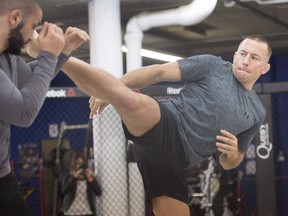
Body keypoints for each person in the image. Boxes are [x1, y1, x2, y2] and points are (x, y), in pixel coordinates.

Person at [61, 35, 272, 216]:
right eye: (243, 53)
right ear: (235, 55)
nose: (246, 60)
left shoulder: (256, 113)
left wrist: (233, 153)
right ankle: (58, 56)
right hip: (166, 121)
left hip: (176, 159)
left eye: (254, 58)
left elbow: (230, 162)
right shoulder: (213, 66)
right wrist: (116, 87)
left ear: (265, 68)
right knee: (130, 99)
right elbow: (158, 72)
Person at [0, 0, 89, 215]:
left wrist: (63, 52)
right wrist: (48, 54)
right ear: (15, 18)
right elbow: (24, 112)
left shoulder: (7, 56)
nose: (32, 37)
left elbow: (34, 77)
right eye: (33, 26)